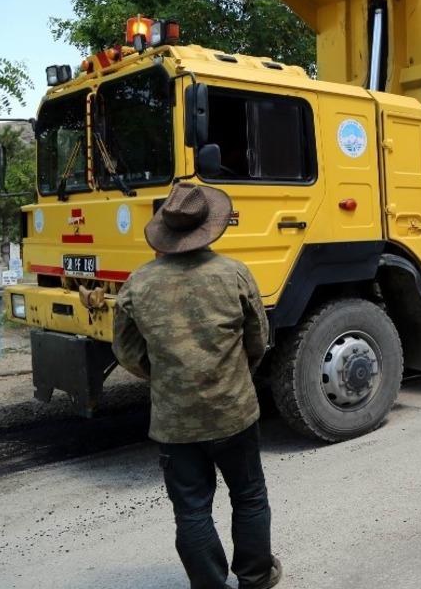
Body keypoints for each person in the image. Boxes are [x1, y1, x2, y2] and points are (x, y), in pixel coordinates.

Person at [112, 183, 281, 589]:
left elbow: (128, 354)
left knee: (191, 510)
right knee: (249, 495)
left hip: (174, 422)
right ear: (210, 227)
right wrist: (234, 375)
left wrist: (169, 377)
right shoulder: (235, 274)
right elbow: (258, 340)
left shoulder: (138, 284)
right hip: (234, 411)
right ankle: (256, 576)